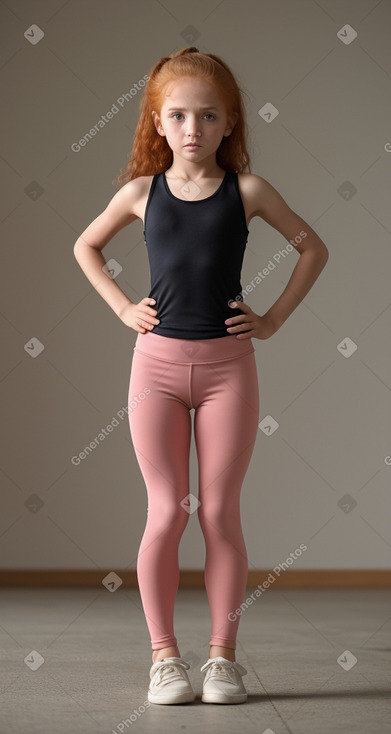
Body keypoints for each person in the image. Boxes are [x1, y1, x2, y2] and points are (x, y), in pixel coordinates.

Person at [73, 46, 328, 706]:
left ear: (229, 124)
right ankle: (164, 659)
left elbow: (310, 247)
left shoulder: (247, 192)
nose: (192, 129)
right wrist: (123, 306)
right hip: (155, 369)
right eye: (178, 116)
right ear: (158, 123)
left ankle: (221, 659)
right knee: (165, 513)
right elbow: (85, 245)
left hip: (226, 371)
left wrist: (268, 320)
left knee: (217, 513)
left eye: (207, 116)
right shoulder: (138, 194)